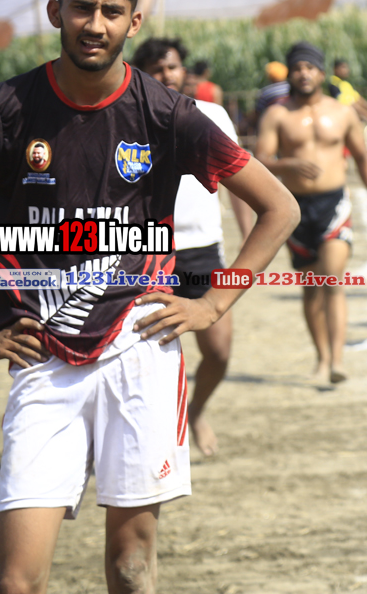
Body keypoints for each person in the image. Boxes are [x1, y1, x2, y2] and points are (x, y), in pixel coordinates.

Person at [0, 0, 298, 594]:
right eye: (82, 8)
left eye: (111, 12)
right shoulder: (1, 110)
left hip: (140, 350)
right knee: (16, 582)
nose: (95, 25)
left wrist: (212, 304)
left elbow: (278, 208)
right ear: (55, 11)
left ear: (134, 21)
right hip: (42, 358)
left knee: (130, 569)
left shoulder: (168, 114)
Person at [131, 37, 256, 457]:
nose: (167, 75)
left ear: (184, 70)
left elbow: (238, 180)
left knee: (218, 351)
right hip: (147, 252)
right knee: (148, 356)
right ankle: (152, 439)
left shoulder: (211, 115)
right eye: (157, 68)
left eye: (172, 66)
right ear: (140, 73)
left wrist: (246, 233)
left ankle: (196, 410)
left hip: (203, 250)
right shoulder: (128, 118)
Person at [256, 41, 367, 384]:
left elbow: (362, 156)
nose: (304, 74)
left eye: (309, 67)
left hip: (333, 205)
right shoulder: (277, 114)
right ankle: (322, 357)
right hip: (296, 209)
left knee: (332, 280)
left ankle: (338, 360)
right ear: (289, 74)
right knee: (311, 286)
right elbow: (261, 159)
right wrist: (289, 164)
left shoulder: (341, 112)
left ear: (321, 72)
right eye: (297, 68)